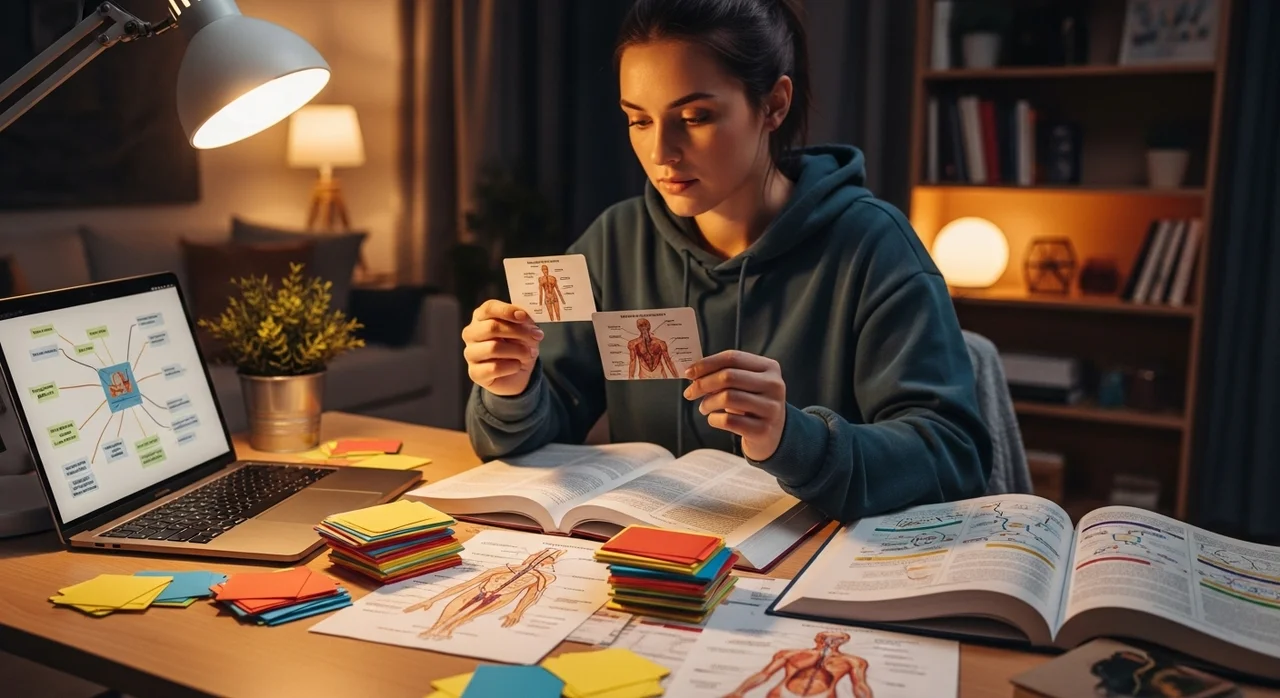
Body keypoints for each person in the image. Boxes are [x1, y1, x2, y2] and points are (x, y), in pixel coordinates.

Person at [460, 0, 992, 523]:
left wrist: (793, 437)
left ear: (774, 105)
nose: (661, 153)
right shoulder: (615, 239)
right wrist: (513, 389)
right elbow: (540, 430)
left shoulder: (873, 245)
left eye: (695, 116)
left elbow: (953, 454)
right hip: (648, 569)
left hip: (801, 574)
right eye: (638, 120)